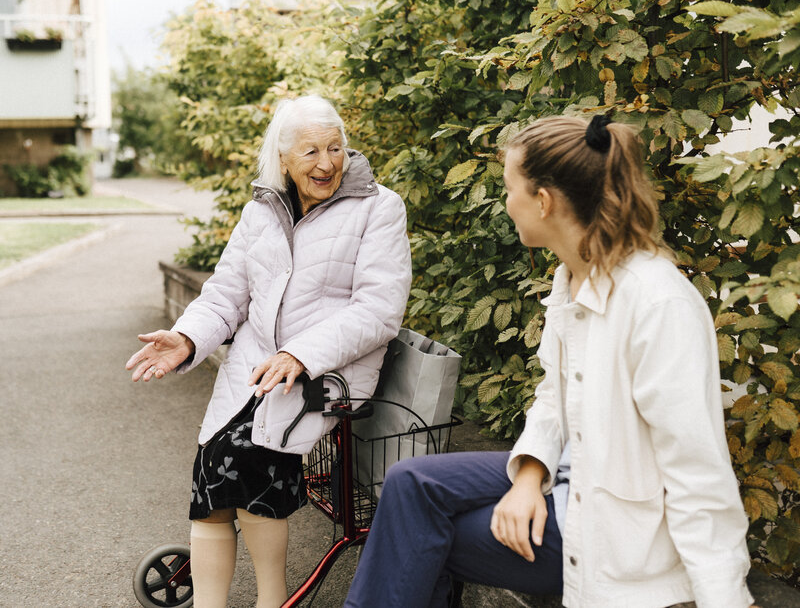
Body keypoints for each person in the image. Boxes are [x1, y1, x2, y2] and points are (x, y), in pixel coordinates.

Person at [344, 115, 756, 608]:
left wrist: (725, 598)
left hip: (611, 529)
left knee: (421, 537)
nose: (505, 203)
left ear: (544, 201)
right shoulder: (572, 278)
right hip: (569, 473)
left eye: (509, 189)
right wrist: (528, 476)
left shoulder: (657, 304)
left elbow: (698, 472)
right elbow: (554, 396)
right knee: (410, 484)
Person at [125, 95, 411, 608]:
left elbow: (380, 310)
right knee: (212, 463)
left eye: (335, 148)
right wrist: (187, 338)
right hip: (257, 370)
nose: (326, 163)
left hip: (328, 374)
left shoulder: (379, 207)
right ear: (283, 158)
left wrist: (300, 354)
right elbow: (226, 295)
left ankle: (272, 600)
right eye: (310, 152)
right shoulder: (261, 211)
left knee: (246, 459)